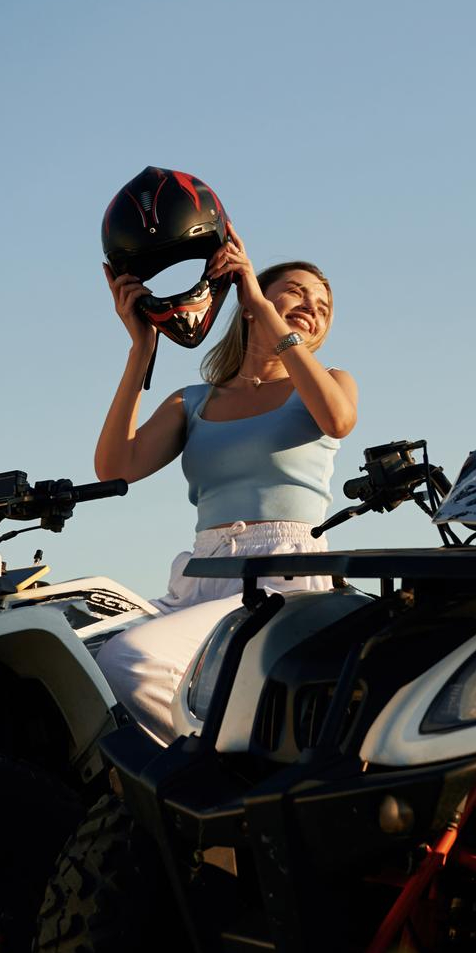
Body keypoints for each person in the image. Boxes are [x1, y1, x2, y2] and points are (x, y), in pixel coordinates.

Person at [91, 227, 358, 743]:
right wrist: (141, 349)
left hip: (284, 577)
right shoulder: (193, 401)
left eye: (324, 304)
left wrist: (267, 310)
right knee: (86, 663)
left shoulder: (329, 382)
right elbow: (115, 467)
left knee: (131, 660)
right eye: (298, 291)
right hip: (201, 572)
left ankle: (203, 779)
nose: (313, 305)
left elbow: (339, 419)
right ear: (249, 295)